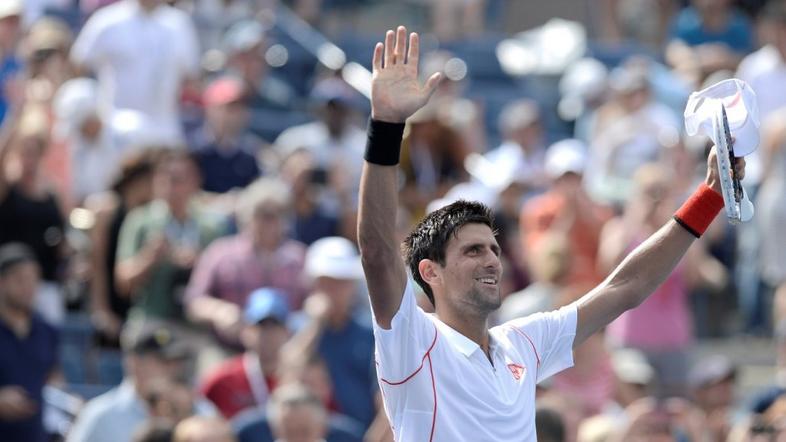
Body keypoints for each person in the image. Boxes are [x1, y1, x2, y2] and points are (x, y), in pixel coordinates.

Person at [357, 25, 745, 441]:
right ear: (430, 272)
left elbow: (626, 286)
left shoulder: (522, 342)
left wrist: (709, 198)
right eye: (472, 251)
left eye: (493, 248)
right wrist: (386, 125)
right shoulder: (413, 342)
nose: (491, 259)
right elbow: (378, 251)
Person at [185, 177, 307, 341]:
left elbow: (313, 303)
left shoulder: (299, 258)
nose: (269, 222)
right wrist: (218, 311)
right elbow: (194, 301)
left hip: (283, 353)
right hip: (228, 348)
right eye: (262, 214)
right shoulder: (220, 253)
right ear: (247, 215)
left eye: (277, 214)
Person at [115, 150, 227, 323]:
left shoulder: (211, 228)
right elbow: (123, 283)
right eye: (163, 179)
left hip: (197, 328)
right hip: (151, 322)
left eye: (177, 180)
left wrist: (201, 263)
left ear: (195, 181)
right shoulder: (140, 221)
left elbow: (226, 283)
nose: (169, 186)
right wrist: (150, 258)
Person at [70, 0, 200, 144]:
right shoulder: (107, 20)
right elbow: (78, 64)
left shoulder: (179, 24)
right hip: (115, 132)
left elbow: (191, 76)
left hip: (165, 131)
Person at [281, 236, 376, 428]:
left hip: (359, 434)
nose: (333, 290)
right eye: (326, 282)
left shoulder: (370, 332)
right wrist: (315, 323)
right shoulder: (298, 327)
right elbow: (286, 373)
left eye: (341, 282)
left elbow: (382, 397)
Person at [66, 321, 214, 442]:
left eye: (176, 362)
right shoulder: (100, 415)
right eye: (163, 361)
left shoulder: (202, 410)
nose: (172, 369)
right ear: (135, 364)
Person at [199, 288, 290, 419]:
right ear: (246, 331)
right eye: (260, 326)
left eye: (274, 327)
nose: (267, 335)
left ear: (287, 331)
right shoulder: (222, 378)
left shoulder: (300, 379)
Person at [0, 243, 60, 442]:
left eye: (34, 280)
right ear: (2, 282)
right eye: (21, 280)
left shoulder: (47, 331)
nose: (29, 288)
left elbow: (53, 379)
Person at [192, 75, 262, 194]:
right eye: (230, 108)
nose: (236, 114)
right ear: (210, 109)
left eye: (241, 107)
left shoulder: (251, 155)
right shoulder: (192, 152)